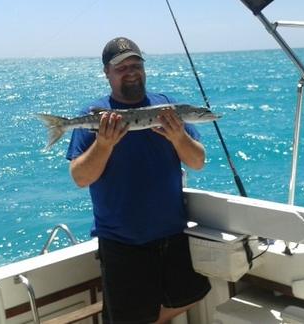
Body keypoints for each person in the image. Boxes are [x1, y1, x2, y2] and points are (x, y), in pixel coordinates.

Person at [66, 37, 211, 324]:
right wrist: (104, 145)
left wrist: (178, 136)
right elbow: (80, 178)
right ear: (107, 72)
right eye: (121, 67)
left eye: (136, 64)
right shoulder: (93, 115)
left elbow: (197, 162)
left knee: (192, 293)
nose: (131, 71)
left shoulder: (168, 108)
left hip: (171, 234)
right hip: (122, 241)